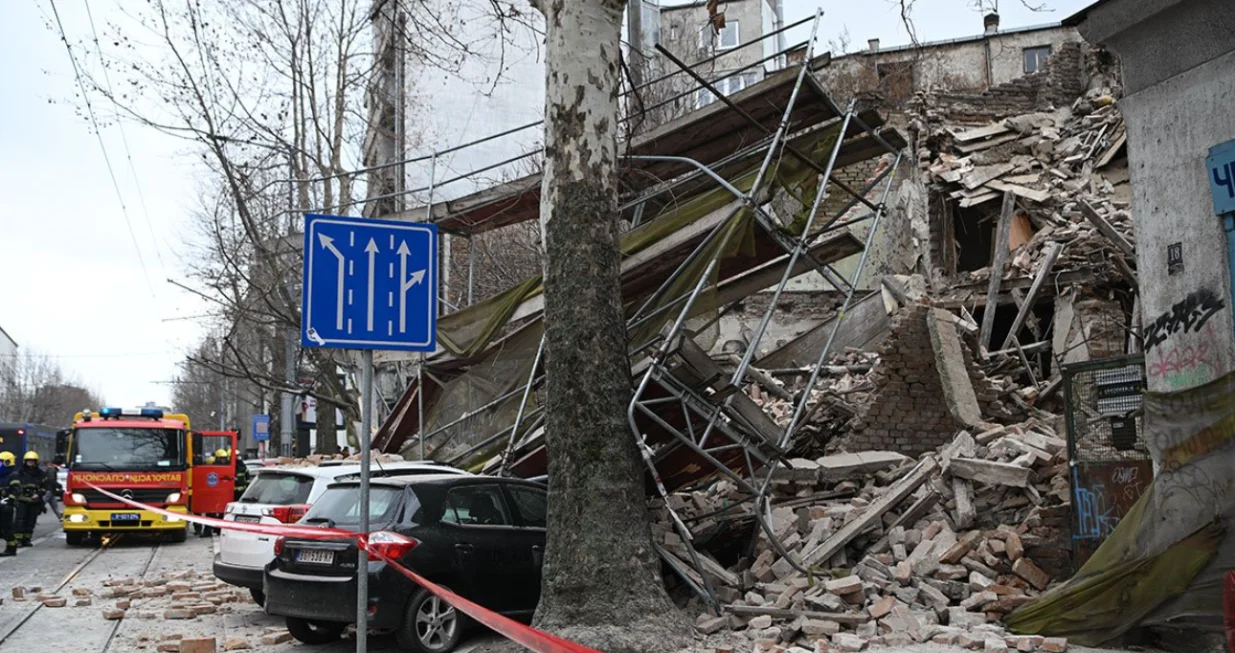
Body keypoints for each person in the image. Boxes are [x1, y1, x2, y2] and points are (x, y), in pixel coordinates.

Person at [14, 452, 45, 547]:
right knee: (20, 520)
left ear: (36, 462)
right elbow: (15, 485)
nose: (30, 463)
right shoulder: (20, 472)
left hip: (34, 501)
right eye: (28, 461)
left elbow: (44, 486)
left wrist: (38, 494)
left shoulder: (40, 473)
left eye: (32, 461)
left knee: (31, 521)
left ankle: (27, 539)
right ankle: (18, 539)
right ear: (25, 461)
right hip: (22, 500)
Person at [0, 452, 17, 556]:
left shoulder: (13, 475)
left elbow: (16, 490)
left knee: (6, 527)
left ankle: (11, 548)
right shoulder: (2, 476)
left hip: (6, 505)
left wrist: (10, 501)